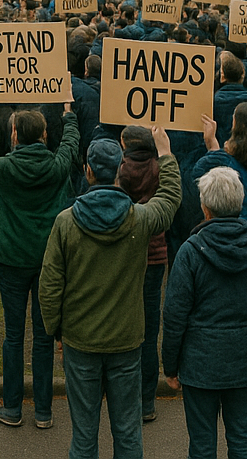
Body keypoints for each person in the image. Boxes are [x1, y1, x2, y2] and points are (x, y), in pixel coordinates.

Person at [40, 126, 180, 459]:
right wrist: (166, 154)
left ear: (87, 171)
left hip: (80, 340)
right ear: (119, 170)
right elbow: (171, 198)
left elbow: (49, 286)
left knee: (84, 436)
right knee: (128, 434)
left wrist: (56, 330)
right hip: (126, 342)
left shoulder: (66, 222)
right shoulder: (140, 219)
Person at [0, 87, 80, 429]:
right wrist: (68, 111)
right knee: (44, 336)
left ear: (14, 134)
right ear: (44, 135)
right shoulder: (59, 166)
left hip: (11, 259)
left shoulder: (3, 168)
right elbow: (72, 143)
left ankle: (13, 408)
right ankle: (44, 411)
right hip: (49, 260)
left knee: (13, 335)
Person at [162, 166, 247, 459]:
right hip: (243, 359)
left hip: (200, 366)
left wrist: (170, 365)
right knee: (241, 440)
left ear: (205, 207)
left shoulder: (189, 251)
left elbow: (175, 314)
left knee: (201, 445)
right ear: (239, 203)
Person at [116, 125, 169, 422]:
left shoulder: (119, 169)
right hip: (155, 255)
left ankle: (123, 397)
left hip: (124, 255)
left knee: (124, 328)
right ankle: (146, 402)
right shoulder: (160, 169)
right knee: (150, 332)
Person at [192, 104, 247, 238]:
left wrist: (212, 145)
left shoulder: (223, 159)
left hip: (230, 232)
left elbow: (197, 172)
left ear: (234, 125)